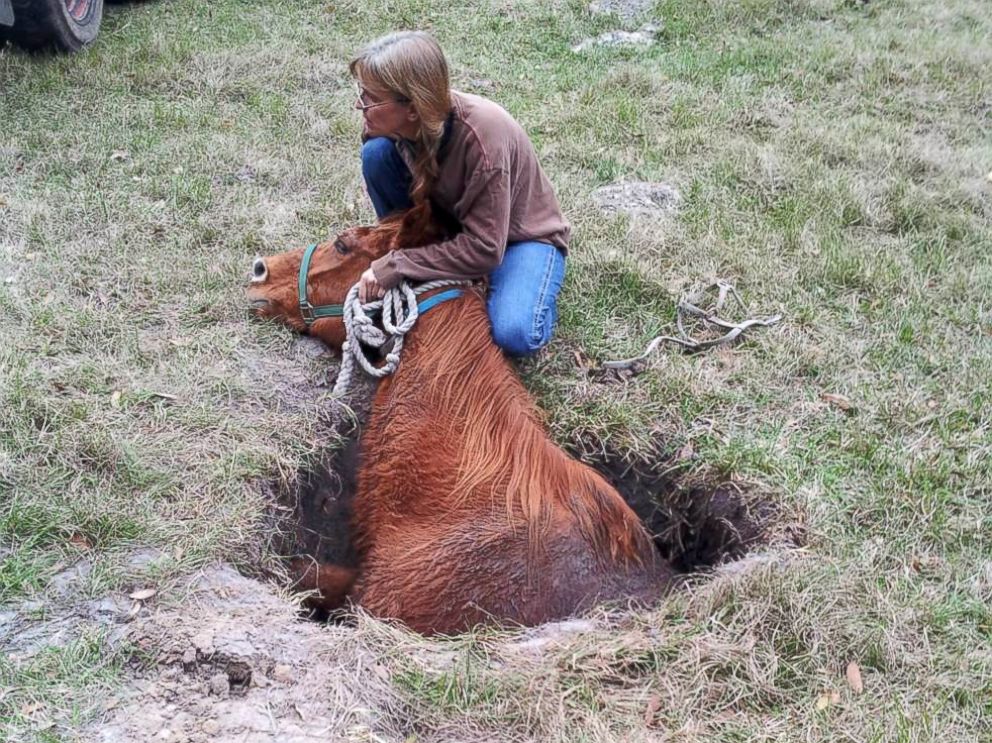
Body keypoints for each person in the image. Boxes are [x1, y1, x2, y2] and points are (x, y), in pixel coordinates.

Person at [350, 31, 569, 357]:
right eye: (362, 93)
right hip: (454, 219)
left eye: (371, 98)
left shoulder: (483, 139)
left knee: (515, 331)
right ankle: (424, 253)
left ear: (412, 108)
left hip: (516, 239)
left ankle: (526, 285)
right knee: (377, 155)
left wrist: (397, 265)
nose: (360, 105)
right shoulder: (390, 124)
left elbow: (485, 248)